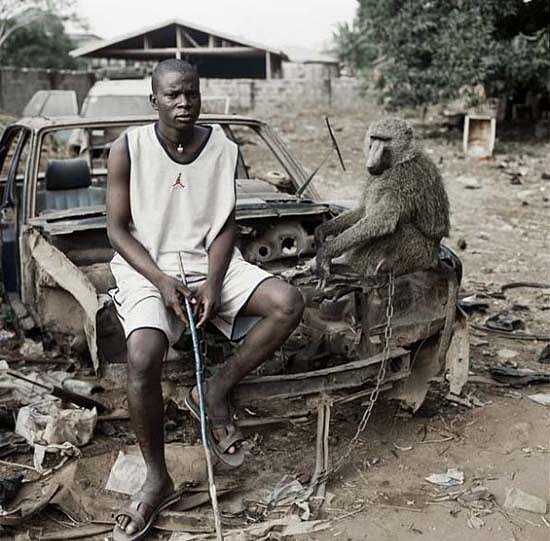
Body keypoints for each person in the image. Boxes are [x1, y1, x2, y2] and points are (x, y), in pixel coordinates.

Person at [106, 58, 304, 540]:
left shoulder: (222, 145)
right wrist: (161, 282)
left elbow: (224, 224)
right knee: (143, 355)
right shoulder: (127, 148)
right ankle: (156, 478)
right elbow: (116, 230)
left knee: (288, 302)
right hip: (147, 265)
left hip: (210, 262)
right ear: (153, 100)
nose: (184, 103)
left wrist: (213, 284)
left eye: (191, 93)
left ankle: (214, 389)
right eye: (173, 95)